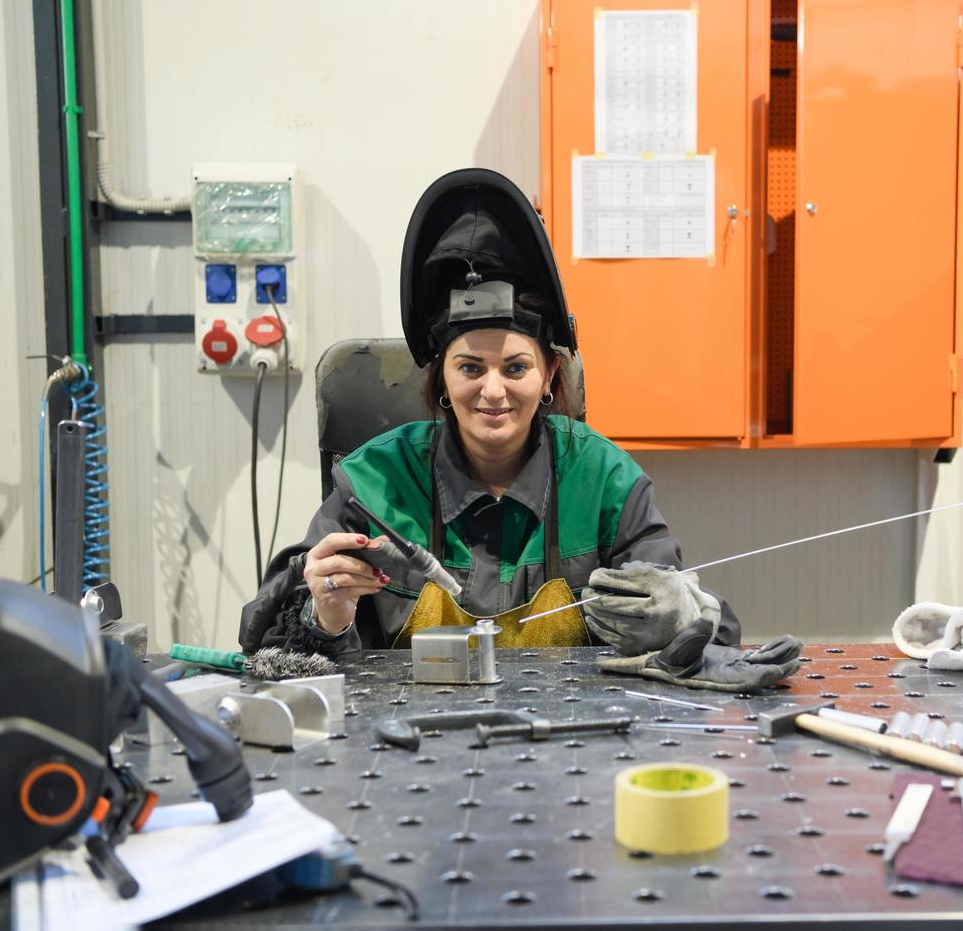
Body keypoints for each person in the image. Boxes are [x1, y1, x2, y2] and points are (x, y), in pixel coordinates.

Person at [239, 169, 800, 691]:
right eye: (469, 368)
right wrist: (325, 617)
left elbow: (714, 631)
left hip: (574, 746)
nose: (492, 392)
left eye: (516, 367)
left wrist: (676, 616)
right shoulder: (374, 483)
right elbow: (263, 650)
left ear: (550, 374)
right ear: (439, 379)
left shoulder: (603, 478)